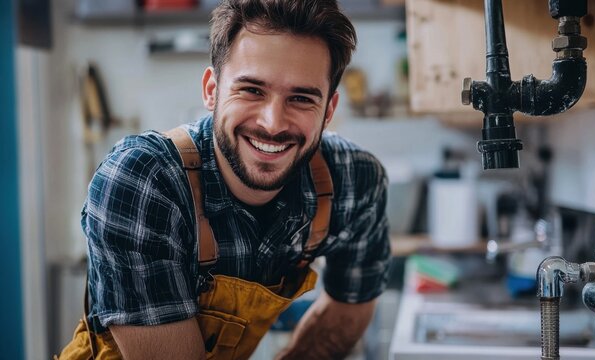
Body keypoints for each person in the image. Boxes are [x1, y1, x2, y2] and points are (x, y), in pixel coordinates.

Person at [58, 0, 391, 359]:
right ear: (211, 91)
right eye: (252, 90)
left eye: (300, 98)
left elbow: (346, 315)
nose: (273, 123)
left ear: (328, 111)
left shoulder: (354, 181)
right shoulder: (144, 181)